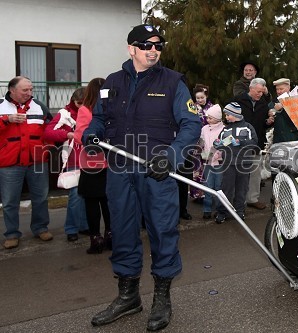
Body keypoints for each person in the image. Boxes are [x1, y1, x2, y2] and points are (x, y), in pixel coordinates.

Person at [84, 24, 201, 331]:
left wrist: (172, 156)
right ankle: (128, 296)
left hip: (157, 172)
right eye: (146, 45)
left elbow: (191, 124)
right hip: (121, 170)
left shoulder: (174, 82)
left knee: (163, 232)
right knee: (122, 231)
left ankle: (162, 299)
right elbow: (98, 118)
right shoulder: (111, 82)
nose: (153, 50)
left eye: (158, 46)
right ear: (131, 48)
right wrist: (91, 134)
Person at [0, 76, 53, 250]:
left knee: (41, 197)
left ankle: (40, 228)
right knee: (9, 201)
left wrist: (48, 146)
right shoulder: (1, 106)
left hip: (37, 160)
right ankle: (12, 234)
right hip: (10, 162)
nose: (29, 93)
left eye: (31, 90)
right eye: (25, 90)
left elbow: (52, 128)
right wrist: (6, 120)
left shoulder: (39, 106)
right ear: (12, 90)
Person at [44, 87, 88, 242]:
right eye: (79, 103)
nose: (81, 106)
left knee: (87, 195)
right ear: (73, 101)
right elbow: (48, 132)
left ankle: (84, 226)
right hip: (73, 159)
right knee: (75, 196)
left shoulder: (94, 111)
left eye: (85, 103)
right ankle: (72, 229)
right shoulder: (65, 113)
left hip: (91, 159)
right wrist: (67, 134)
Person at [73, 78, 112, 254]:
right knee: (107, 201)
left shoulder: (84, 109)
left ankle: (96, 237)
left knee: (93, 202)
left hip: (91, 162)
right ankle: (111, 235)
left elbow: (79, 134)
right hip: (108, 161)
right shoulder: (111, 109)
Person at [214, 102, 258, 224]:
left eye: (228, 115)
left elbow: (254, 142)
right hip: (228, 163)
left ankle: (239, 211)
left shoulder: (248, 127)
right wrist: (217, 144)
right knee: (226, 188)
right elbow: (220, 143)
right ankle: (222, 211)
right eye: (225, 115)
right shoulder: (225, 129)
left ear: (236, 114)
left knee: (242, 188)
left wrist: (240, 142)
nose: (226, 117)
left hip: (244, 163)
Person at [234, 78, 273, 210]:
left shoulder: (263, 104)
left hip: (257, 143)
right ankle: (238, 201)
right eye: (258, 92)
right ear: (250, 89)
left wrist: (268, 122)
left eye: (262, 92)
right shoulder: (238, 101)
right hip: (240, 144)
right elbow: (228, 119)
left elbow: (264, 123)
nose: (260, 94)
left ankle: (253, 199)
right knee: (240, 173)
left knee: (255, 173)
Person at [199, 104, 224, 219]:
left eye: (210, 118)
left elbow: (224, 145)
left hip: (219, 162)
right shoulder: (204, 129)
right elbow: (202, 142)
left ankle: (220, 209)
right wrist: (202, 153)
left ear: (218, 118)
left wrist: (217, 155)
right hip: (207, 161)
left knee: (219, 186)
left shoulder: (223, 129)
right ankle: (207, 209)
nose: (207, 119)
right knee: (207, 185)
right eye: (207, 117)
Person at [269, 78, 298, 144]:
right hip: (279, 140)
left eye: (281, 89)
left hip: (294, 139)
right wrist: (269, 119)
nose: (279, 92)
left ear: (288, 88)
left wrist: (284, 106)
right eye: (277, 89)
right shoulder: (273, 103)